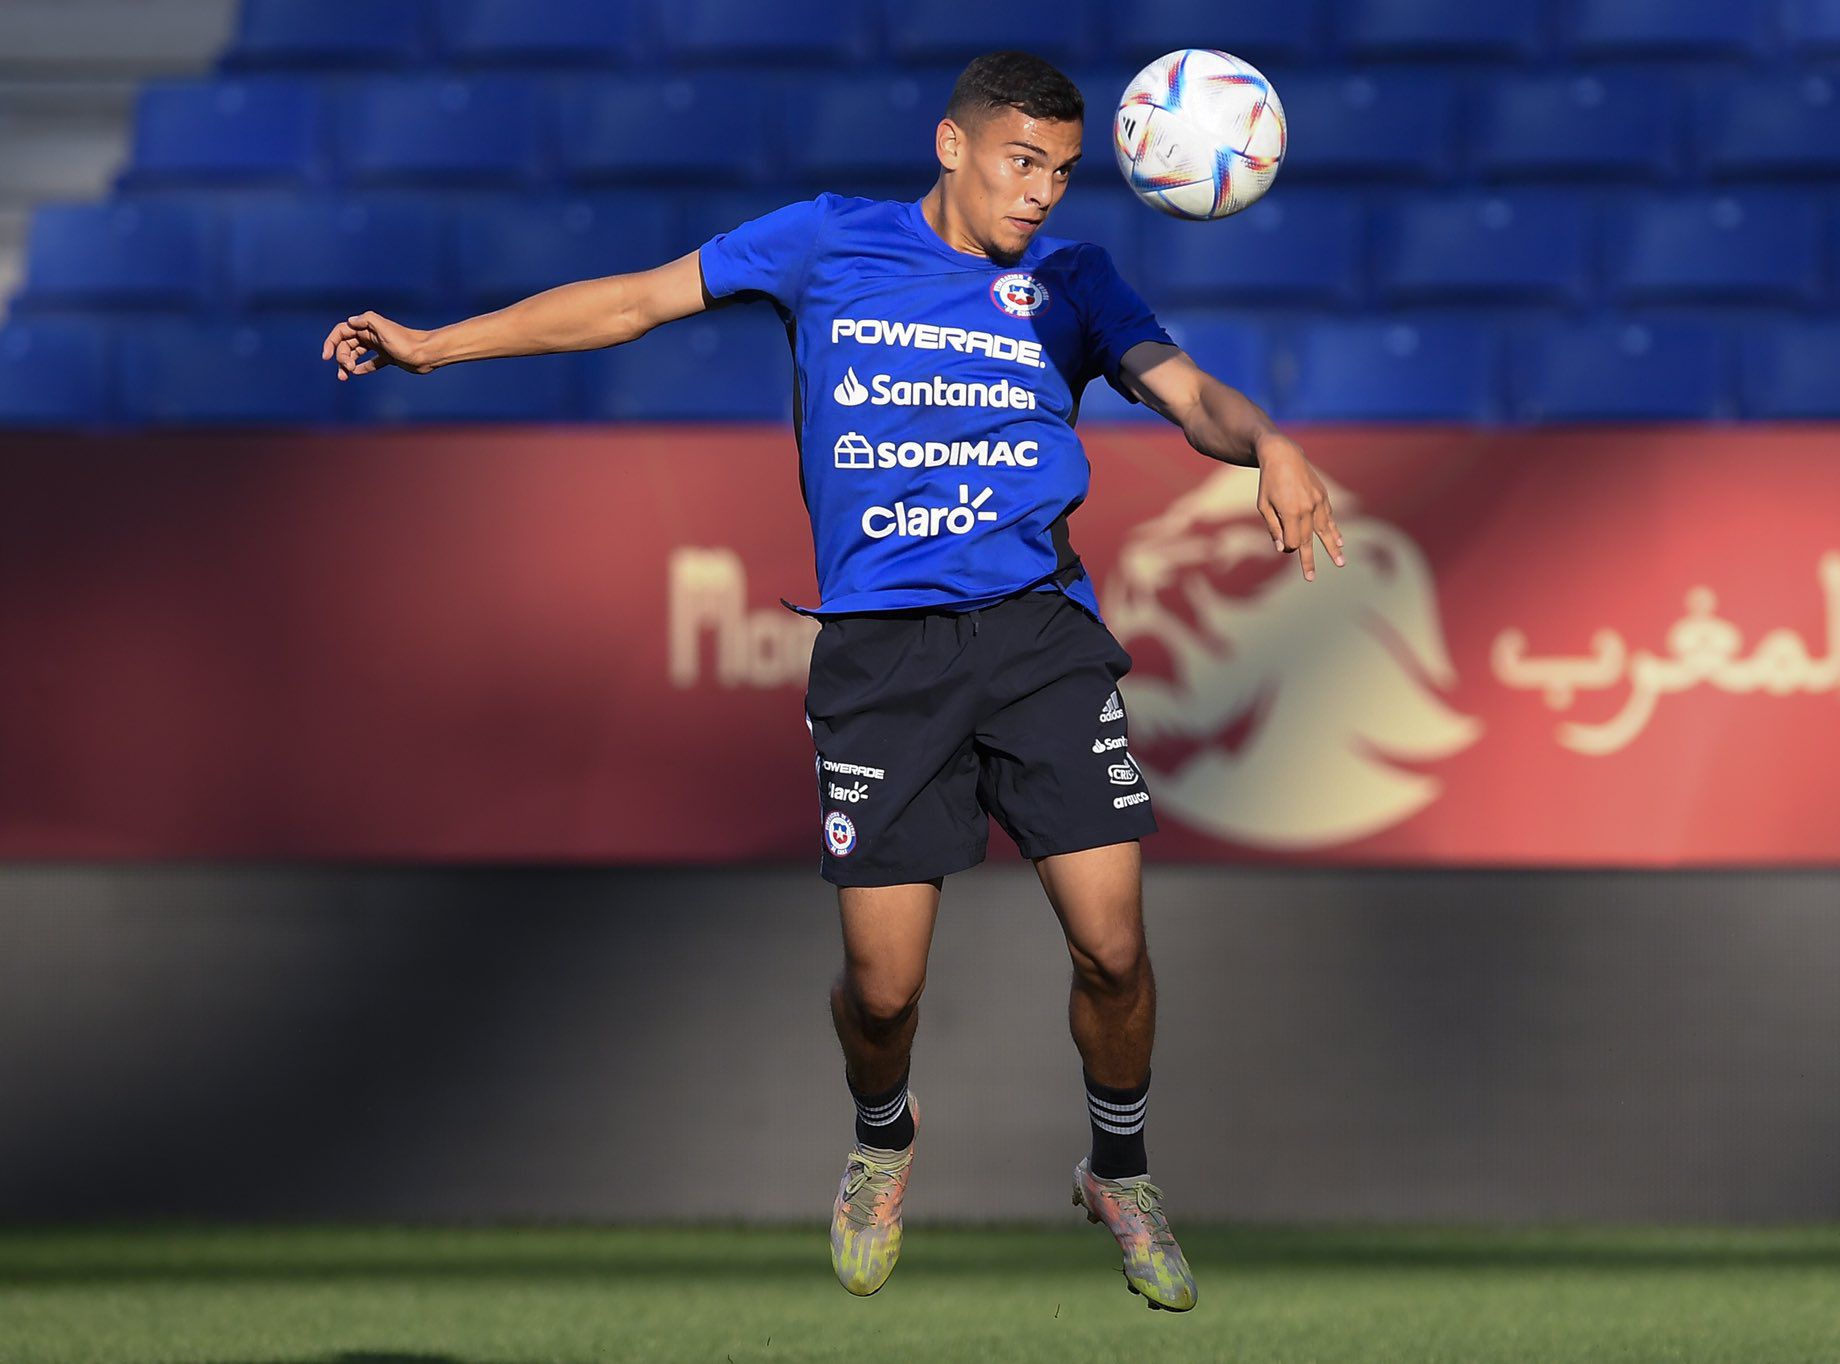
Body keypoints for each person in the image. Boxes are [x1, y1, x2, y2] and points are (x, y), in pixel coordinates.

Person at [322, 50, 1343, 1313]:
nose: (1042, 195)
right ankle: (881, 1134)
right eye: (1023, 162)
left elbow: (1184, 395)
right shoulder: (824, 243)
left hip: (1037, 636)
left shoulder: (1071, 280)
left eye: (1066, 173)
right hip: (881, 653)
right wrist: (435, 348)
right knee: (884, 987)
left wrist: (1270, 445)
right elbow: (635, 302)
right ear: (952, 145)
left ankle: (1118, 1170)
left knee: (1113, 944)